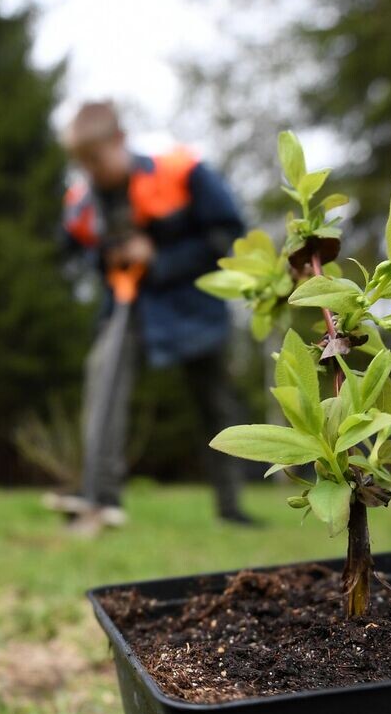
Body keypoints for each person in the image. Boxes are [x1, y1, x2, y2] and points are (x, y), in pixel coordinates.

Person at [53, 100, 256, 534]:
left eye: (95, 158)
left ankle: (231, 506)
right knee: (102, 380)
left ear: (119, 141)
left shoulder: (181, 173)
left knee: (214, 406)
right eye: (81, 162)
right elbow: (72, 250)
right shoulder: (83, 202)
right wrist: (104, 256)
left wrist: (158, 257)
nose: (90, 169)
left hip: (194, 307)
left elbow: (227, 236)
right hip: (129, 308)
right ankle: (100, 498)